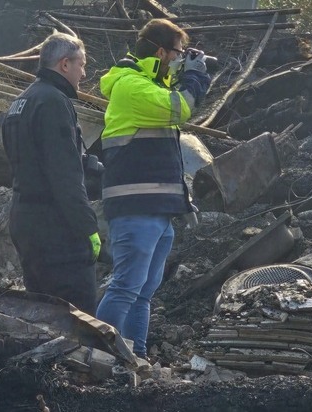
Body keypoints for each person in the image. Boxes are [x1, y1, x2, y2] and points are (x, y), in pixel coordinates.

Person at [95, 19, 210, 359]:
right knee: (126, 288)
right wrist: (195, 75)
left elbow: (169, 100)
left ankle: (136, 359)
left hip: (156, 209)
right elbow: (181, 107)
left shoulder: (148, 86)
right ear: (161, 51)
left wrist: (184, 71)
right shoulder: (131, 87)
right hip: (136, 209)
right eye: (177, 52)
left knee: (142, 293)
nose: (180, 58)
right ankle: (99, 357)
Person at [1, 33, 101, 315]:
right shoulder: (54, 102)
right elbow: (64, 176)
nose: (84, 73)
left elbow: (27, 161)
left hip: (25, 221)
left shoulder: (18, 103)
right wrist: (87, 227)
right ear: (64, 64)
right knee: (77, 317)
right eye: (82, 65)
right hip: (55, 226)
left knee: (43, 314)